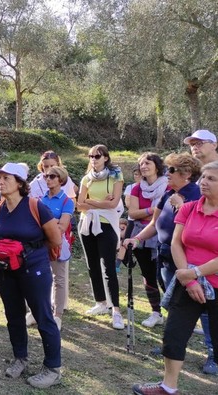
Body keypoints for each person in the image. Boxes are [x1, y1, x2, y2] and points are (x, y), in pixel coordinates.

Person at [132, 161, 218, 395]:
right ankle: (168, 388)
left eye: (212, 179)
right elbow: (177, 243)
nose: (204, 183)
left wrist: (196, 272)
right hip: (188, 283)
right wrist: (189, 280)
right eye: (204, 178)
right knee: (173, 336)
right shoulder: (190, 208)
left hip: (211, 282)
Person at [0, 163, 63, 388]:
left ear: (20, 183)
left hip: (34, 268)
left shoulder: (35, 207)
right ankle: (20, 358)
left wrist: (32, 254)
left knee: (42, 315)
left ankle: (53, 368)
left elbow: (55, 239)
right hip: (5, 270)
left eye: (5, 178)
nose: (0, 181)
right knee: (13, 314)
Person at [77, 144, 125, 330]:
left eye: (97, 156)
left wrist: (89, 201)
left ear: (105, 157)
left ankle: (116, 310)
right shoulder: (86, 178)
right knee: (92, 265)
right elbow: (79, 205)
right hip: (87, 224)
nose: (93, 159)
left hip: (106, 224)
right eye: (90, 156)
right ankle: (100, 302)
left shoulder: (115, 176)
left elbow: (113, 204)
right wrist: (97, 202)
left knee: (108, 267)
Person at [184, 129, 217, 374]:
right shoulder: (198, 176)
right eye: (191, 144)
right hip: (195, 256)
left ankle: (213, 354)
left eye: (199, 143)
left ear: (214, 145)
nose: (194, 147)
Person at [125, 153, 169, 328]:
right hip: (140, 235)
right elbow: (133, 213)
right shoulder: (137, 188)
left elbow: (167, 213)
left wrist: (146, 211)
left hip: (161, 234)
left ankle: (174, 313)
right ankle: (156, 312)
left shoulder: (167, 187)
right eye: (141, 164)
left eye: (147, 163)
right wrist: (155, 209)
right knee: (148, 274)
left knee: (164, 276)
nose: (143, 166)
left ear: (157, 166)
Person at [37, 165, 75, 330]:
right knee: (39, 278)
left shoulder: (67, 201)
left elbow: (63, 225)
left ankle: (57, 315)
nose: (48, 179)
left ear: (61, 179)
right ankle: (38, 311)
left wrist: (44, 226)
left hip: (56, 245)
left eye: (52, 176)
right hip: (39, 244)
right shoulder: (41, 199)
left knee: (58, 279)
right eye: (46, 176)